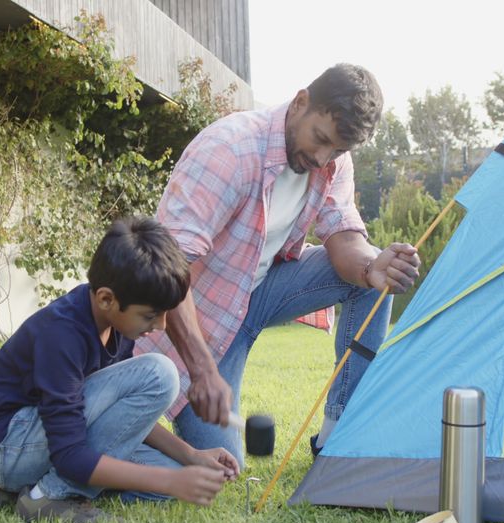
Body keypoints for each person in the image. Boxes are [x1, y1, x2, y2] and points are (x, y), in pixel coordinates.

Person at [135, 63, 422, 463]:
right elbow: (169, 270)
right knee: (221, 459)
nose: (323, 158)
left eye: (337, 150)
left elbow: (343, 236)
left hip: (259, 294)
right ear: (301, 102)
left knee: (373, 277)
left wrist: (371, 268)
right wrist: (202, 371)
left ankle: (338, 440)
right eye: (319, 139)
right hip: (199, 317)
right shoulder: (228, 151)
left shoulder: (332, 161)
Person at [0, 217, 239, 523]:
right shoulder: (62, 335)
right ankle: (47, 497)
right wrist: (166, 481)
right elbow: (69, 454)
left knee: (177, 475)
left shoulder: (117, 325)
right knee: (159, 374)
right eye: (150, 315)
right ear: (107, 299)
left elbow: (124, 417)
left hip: (49, 437)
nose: (160, 326)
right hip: (8, 447)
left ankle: (24, 492)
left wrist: (191, 456)